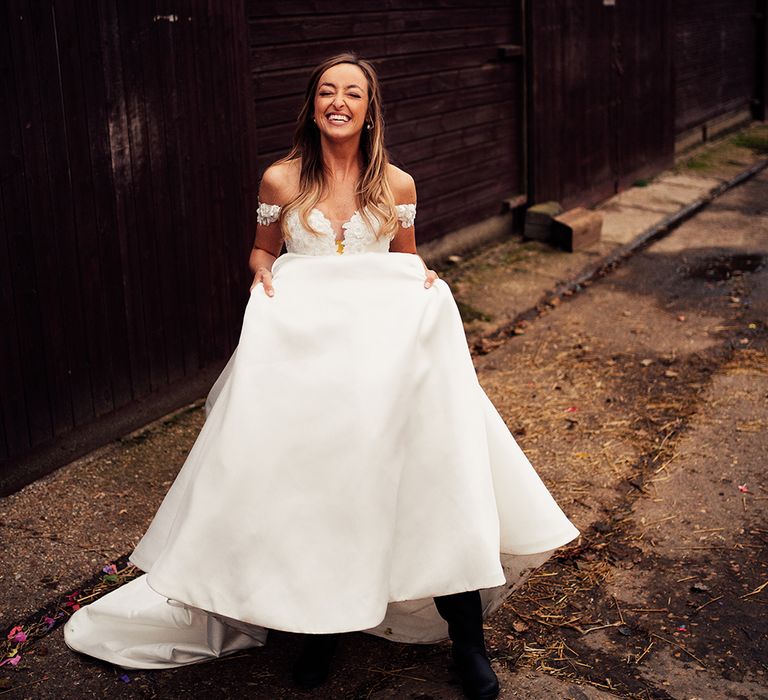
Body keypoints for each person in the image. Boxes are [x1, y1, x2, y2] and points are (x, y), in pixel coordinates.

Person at [63, 53, 580, 700]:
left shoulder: (398, 185)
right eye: (328, 92)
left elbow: (405, 264)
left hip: (386, 365)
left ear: (369, 110)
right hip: (313, 369)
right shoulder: (281, 181)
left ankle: (467, 642)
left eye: (353, 93)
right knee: (322, 493)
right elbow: (264, 250)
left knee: (431, 481)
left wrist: (424, 284)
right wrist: (258, 272)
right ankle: (318, 632)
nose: (339, 101)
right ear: (313, 105)